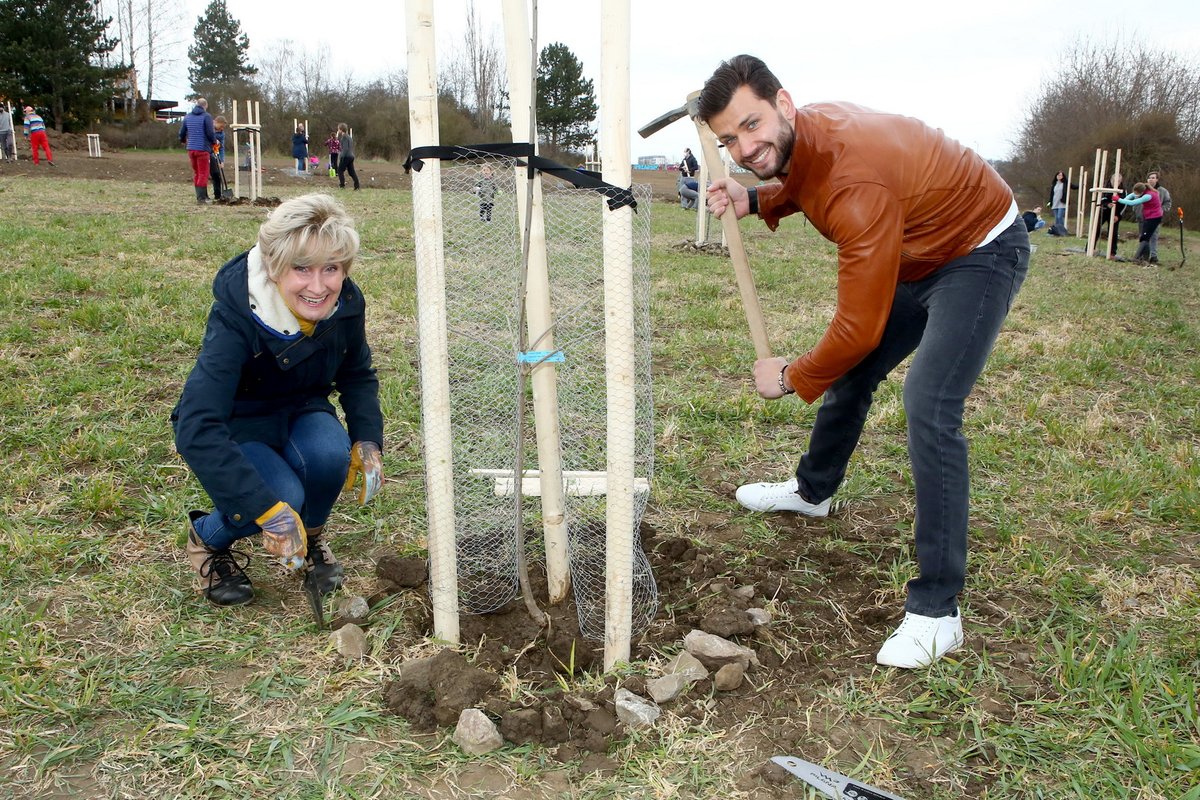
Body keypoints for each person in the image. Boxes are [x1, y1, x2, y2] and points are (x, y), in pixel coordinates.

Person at [699, 55, 1029, 669]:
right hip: (913, 245)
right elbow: (802, 177)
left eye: (751, 126)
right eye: (728, 139)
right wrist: (757, 202)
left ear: (785, 104)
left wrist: (792, 376)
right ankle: (812, 492)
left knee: (929, 401)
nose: (744, 148)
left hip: (979, 248)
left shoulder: (858, 182)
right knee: (855, 373)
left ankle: (938, 611)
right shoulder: (809, 136)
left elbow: (856, 327)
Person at [172, 193, 384, 607]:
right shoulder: (237, 316)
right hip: (240, 421)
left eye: (332, 268)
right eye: (301, 269)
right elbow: (196, 426)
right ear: (273, 268)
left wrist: (368, 439)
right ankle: (208, 541)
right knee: (281, 495)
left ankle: (311, 541)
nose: (318, 286)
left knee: (328, 454)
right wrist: (266, 510)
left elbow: (357, 374)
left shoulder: (347, 305)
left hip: (301, 408)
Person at [179, 98, 216, 203]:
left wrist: (183, 140)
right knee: (203, 173)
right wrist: (214, 142)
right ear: (206, 105)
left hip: (191, 149)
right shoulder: (206, 117)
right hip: (202, 149)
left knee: (197, 173)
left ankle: (202, 195)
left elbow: (182, 132)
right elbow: (210, 133)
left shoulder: (187, 117)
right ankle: (201, 198)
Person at [1116, 181, 1162, 263]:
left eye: (1137, 193)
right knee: (1145, 236)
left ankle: (1137, 257)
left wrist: (1118, 199)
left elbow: (1132, 202)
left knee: (1145, 237)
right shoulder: (1143, 192)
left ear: (1141, 192)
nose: (1135, 195)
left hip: (1154, 218)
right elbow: (1131, 195)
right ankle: (1144, 258)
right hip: (1148, 217)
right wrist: (1123, 200)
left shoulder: (1148, 196)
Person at [1144, 171, 1172, 263]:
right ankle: (1143, 255)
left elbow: (1168, 203)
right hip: (1144, 217)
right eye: (1149, 178)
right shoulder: (1143, 189)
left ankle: (1153, 256)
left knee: (1154, 236)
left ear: (1157, 179)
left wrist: (1161, 210)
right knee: (1143, 236)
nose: (1151, 179)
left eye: (1153, 178)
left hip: (1155, 217)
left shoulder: (1163, 191)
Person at [1047, 170, 1072, 236]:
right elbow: (1051, 194)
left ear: (1063, 176)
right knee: (1056, 218)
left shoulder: (1065, 183)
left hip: (1062, 203)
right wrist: (1049, 202)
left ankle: (1062, 231)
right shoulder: (1054, 184)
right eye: (1058, 175)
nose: (1059, 176)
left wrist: (1081, 185)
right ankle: (1057, 231)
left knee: (1059, 217)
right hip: (1055, 203)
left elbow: (1073, 186)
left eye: (1061, 175)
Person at [208, 115, 227, 201]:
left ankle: (218, 195)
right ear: (216, 122)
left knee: (216, 174)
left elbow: (221, 148)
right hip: (205, 152)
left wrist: (221, 161)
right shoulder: (208, 127)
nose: (222, 129)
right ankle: (203, 196)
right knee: (204, 174)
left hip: (214, 154)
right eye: (221, 126)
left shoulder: (221, 134)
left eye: (223, 127)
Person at [335, 123, 359, 190]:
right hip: (351, 156)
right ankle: (357, 186)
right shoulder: (349, 137)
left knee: (340, 170)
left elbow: (345, 148)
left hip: (346, 156)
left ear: (341, 129)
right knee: (351, 172)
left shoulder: (344, 137)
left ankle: (342, 185)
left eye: (338, 129)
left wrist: (341, 157)